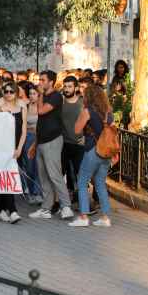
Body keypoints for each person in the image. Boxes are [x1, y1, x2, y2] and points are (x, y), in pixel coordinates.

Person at [28, 70, 73, 220]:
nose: (40, 82)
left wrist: (40, 94)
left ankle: (66, 206)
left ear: (51, 82)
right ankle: (46, 208)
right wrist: (35, 144)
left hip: (53, 140)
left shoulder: (56, 97)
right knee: (43, 176)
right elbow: (41, 123)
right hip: (41, 140)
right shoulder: (46, 96)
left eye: (42, 80)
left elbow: (41, 111)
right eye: (39, 80)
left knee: (54, 174)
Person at [69, 84, 115, 228]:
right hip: (106, 152)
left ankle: (83, 216)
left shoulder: (87, 111)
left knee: (82, 182)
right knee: (100, 183)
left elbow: (76, 130)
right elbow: (112, 132)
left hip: (92, 151)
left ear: (88, 97)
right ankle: (105, 217)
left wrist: (81, 115)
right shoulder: (109, 112)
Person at [0, 81, 26, 223]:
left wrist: (20, 148)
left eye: (11, 91)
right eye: (6, 91)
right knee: (6, 178)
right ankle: (13, 210)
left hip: (15, 147)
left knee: (10, 177)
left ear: (16, 93)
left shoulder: (22, 106)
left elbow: (23, 130)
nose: (8, 94)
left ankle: (1, 210)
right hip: (0, 147)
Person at [60, 76, 85, 204]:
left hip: (79, 145)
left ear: (75, 88)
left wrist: (85, 137)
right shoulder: (60, 102)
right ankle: (61, 202)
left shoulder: (82, 103)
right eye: (65, 86)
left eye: (70, 86)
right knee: (60, 173)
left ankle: (84, 203)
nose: (67, 89)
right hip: (63, 144)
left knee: (80, 175)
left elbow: (89, 121)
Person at [20, 83, 42, 204]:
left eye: (34, 94)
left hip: (39, 137)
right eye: (30, 94)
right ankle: (31, 191)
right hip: (27, 138)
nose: (32, 96)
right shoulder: (25, 107)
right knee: (29, 167)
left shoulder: (42, 107)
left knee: (39, 166)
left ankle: (37, 192)